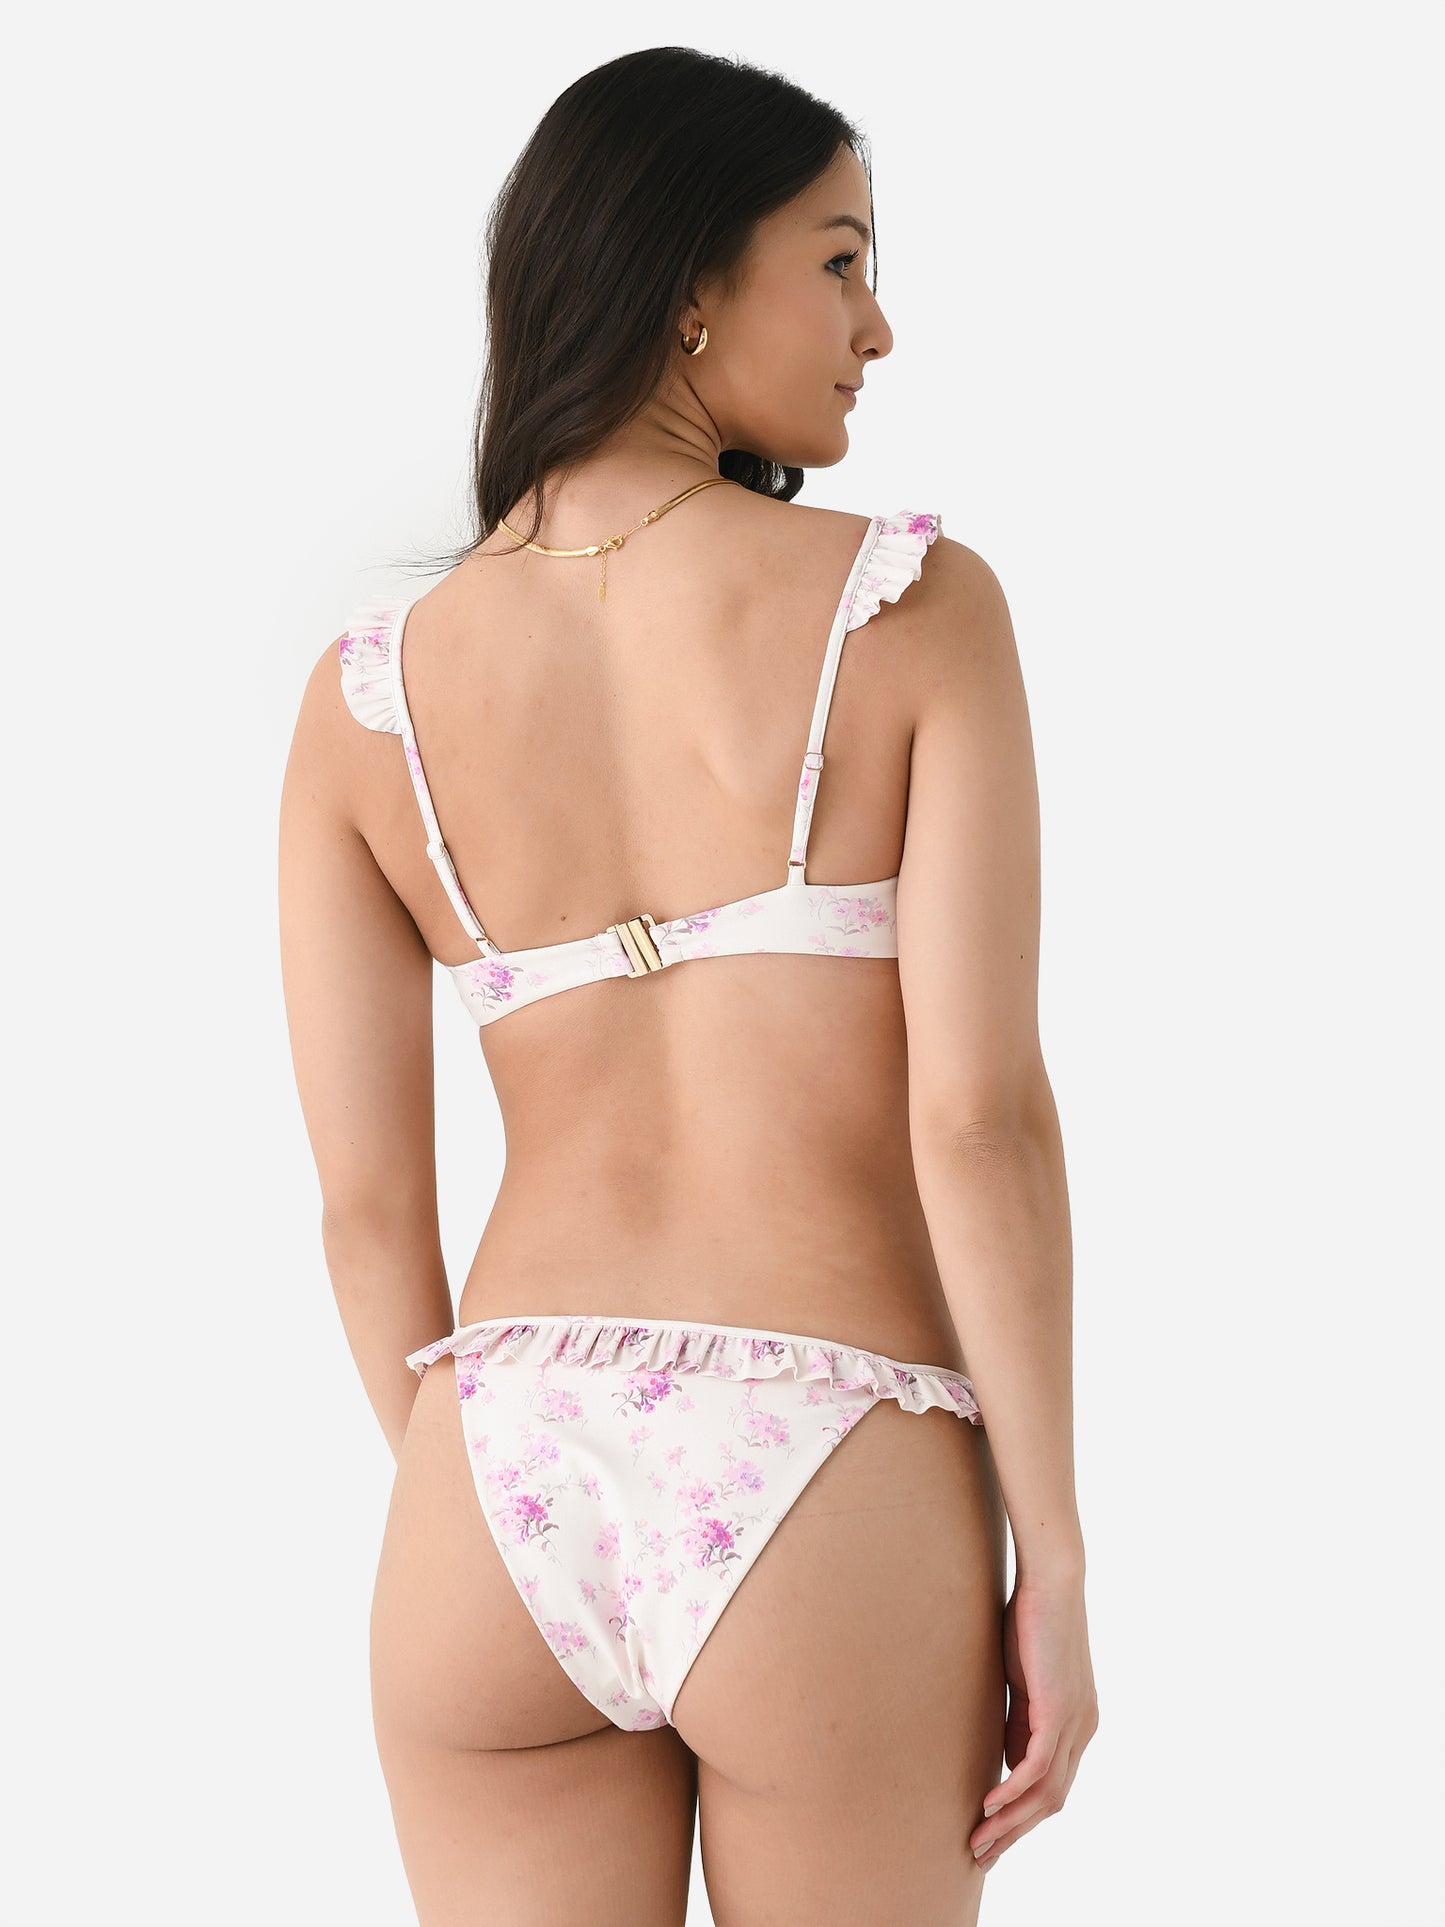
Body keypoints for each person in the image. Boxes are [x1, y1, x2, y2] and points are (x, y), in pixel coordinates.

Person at [279, 45, 1097, 1926]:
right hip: (825, 1454)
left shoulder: (364, 699)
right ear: (685, 284)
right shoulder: (907, 607)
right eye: (839, 260)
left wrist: (487, 1508)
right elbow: (977, 1123)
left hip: (493, 1465)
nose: (876, 327)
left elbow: (364, 1211)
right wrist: (1049, 1555)